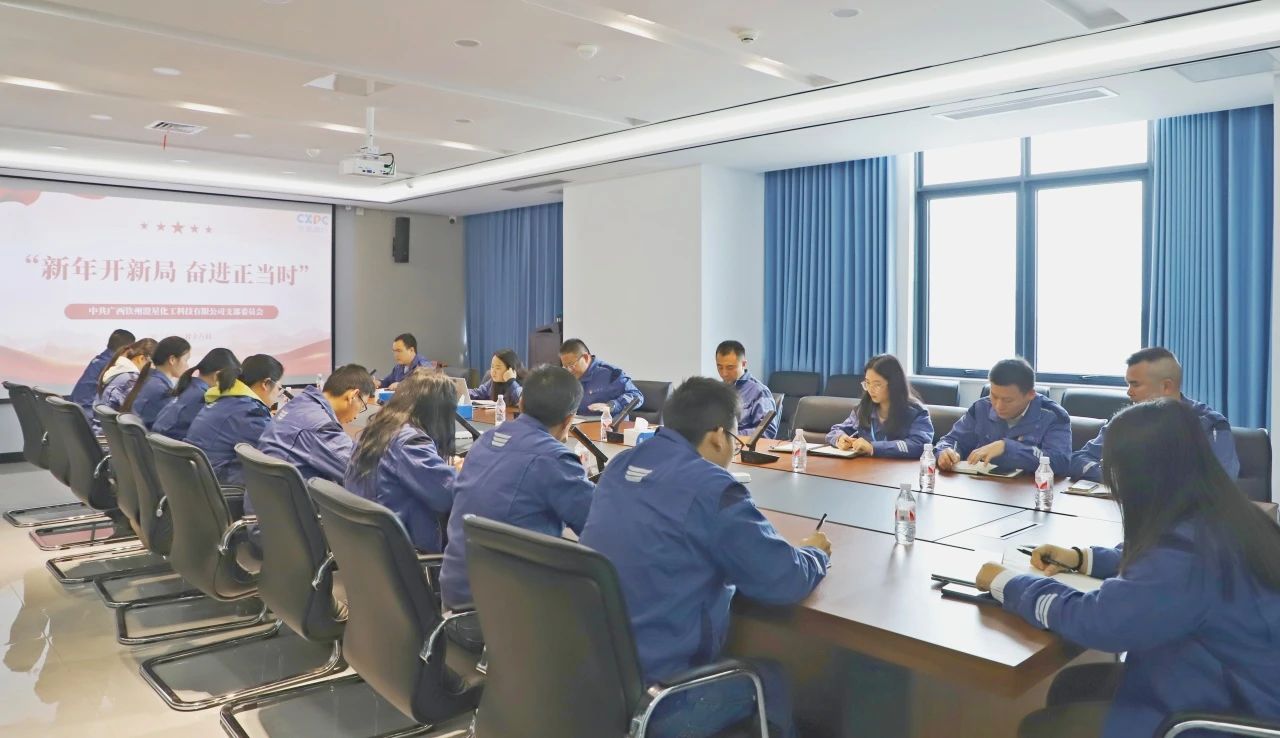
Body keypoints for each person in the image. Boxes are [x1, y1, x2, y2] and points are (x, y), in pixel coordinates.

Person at [974, 399, 1280, 738]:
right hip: (1223, 680)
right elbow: (1156, 563)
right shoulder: (1226, 514)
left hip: (1223, 716)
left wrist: (1007, 583)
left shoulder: (1185, 557)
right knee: (1071, 686)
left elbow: (1100, 621)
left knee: (1040, 728)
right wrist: (1082, 558)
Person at [580, 377, 830, 738]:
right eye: (734, 441)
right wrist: (814, 552)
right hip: (662, 699)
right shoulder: (711, 487)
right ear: (717, 436)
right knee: (772, 679)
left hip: (595, 684)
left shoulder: (619, 467)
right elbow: (783, 579)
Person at [439, 366, 595, 649]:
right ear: (569, 420)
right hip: (501, 620)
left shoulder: (486, 440)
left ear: (521, 404)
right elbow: (598, 528)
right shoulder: (553, 459)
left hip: (454, 605)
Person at [1070, 347, 1239, 481]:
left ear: (1166, 386)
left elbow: (1222, 481)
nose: (1129, 392)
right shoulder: (1125, 421)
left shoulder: (1210, 424)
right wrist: (1116, 478)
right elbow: (1079, 460)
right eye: (1128, 384)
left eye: (1135, 385)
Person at [344, 373, 458, 554]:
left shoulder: (377, 429)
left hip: (370, 545)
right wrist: (459, 472)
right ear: (439, 411)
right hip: (404, 551)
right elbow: (449, 495)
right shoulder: (411, 442)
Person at [257, 363, 374, 497]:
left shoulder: (301, 403)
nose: (357, 416)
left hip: (269, 499)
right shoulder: (320, 426)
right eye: (362, 406)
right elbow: (361, 475)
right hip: (290, 503)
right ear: (353, 395)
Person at [935, 358, 1070, 474]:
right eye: (994, 396)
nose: (998, 406)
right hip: (982, 487)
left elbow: (1060, 462)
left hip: (1030, 490)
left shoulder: (1054, 416)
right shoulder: (981, 408)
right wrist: (945, 452)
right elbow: (953, 439)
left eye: (1008, 400)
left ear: (1030, 394)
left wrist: (1006, 447)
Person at [183, 354, 282, 486]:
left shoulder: (224, 399)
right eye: (279, 388)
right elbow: (276, 450)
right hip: (220, 486)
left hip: (199, 482)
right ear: (265, 384)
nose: (278, 395)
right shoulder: (250, 412)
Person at [826, 354, 934, 458]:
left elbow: (920, 445)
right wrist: (840, 438)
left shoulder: (916, 412)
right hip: (865, 468)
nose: (870, 389)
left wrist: (873, 448)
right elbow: (836, 430)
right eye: (867, 383)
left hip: (899, 469)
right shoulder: (863, 408)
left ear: (894, 384)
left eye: (877, 385)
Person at [152, 348, 240, 440]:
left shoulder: (189, 387)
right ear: (217, 375)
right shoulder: (205, 397)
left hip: (160, 442)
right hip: (175, 444)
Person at [558, 338, 643, 416]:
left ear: (586, 358)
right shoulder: (569, 377)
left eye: (571, 365)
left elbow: (637, 397)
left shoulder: (611, 374)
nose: (569, 370)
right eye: (565, 366)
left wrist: (610, 406)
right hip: (579, 426)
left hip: (608, 426)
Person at [120, 336, 191, 428]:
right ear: (172, 360)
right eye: (186, 360)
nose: (187, 366)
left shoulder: (151, 379)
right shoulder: (162, 390)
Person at [714, 340, 779, 439]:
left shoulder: (759, 391)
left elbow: (768, 431)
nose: (724, 373)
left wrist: (730, 435)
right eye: (720, 367)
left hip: (743, 446)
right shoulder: (717, 391)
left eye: (730, 367)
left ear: (743, 364)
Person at [92, 338, 156, 432]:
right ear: (142, 359)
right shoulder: (130, 380)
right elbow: (137, 415)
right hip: (109, 437)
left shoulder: (117, 372)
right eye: (155, 364)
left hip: (103, 434)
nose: (154, 369)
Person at [70, 328, 134, 418]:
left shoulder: (101, 358)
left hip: (77, 410)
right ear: (127, 349)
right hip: (88, 414)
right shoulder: (113, 364)